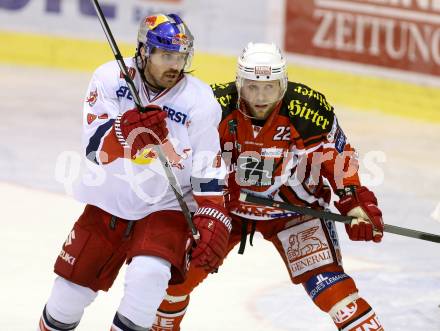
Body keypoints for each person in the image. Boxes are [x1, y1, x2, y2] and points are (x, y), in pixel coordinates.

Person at [152, 43, 385, 331]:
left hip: (294, 211)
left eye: (270, 87)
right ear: (239, 84)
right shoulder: (213, 105)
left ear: (283, 85)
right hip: (225, 210)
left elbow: (339, 159)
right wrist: (215, 190)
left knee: (331, 290)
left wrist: (354, 200)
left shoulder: (307, 109)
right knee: (175, 280)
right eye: (252, 87)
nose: (261, 97)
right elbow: (183, 157)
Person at [37, 14, 232, 331]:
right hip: (107, 202)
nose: (175, 65)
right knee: (67, 297)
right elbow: (94, 148)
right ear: (144, 51)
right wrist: (126, 133)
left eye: (181, 56)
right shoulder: (110, 78)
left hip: (166, 207)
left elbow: (207, 165)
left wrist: (214, 214)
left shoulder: (199, 99)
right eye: (166, 55)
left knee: (149, 277)